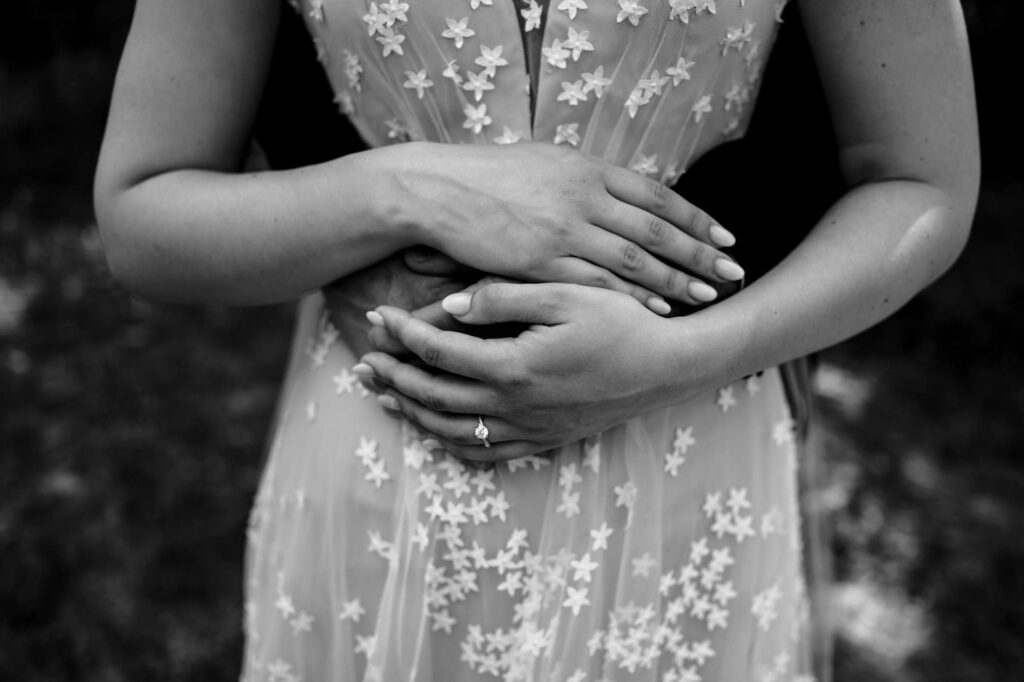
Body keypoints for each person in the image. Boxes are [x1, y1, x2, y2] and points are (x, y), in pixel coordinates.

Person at [93, 1, 978, 681]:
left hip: (692, 471)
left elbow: (922, 182)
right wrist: (409, 187)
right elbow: (143, 216)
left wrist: (677, 362)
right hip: (378, 478)